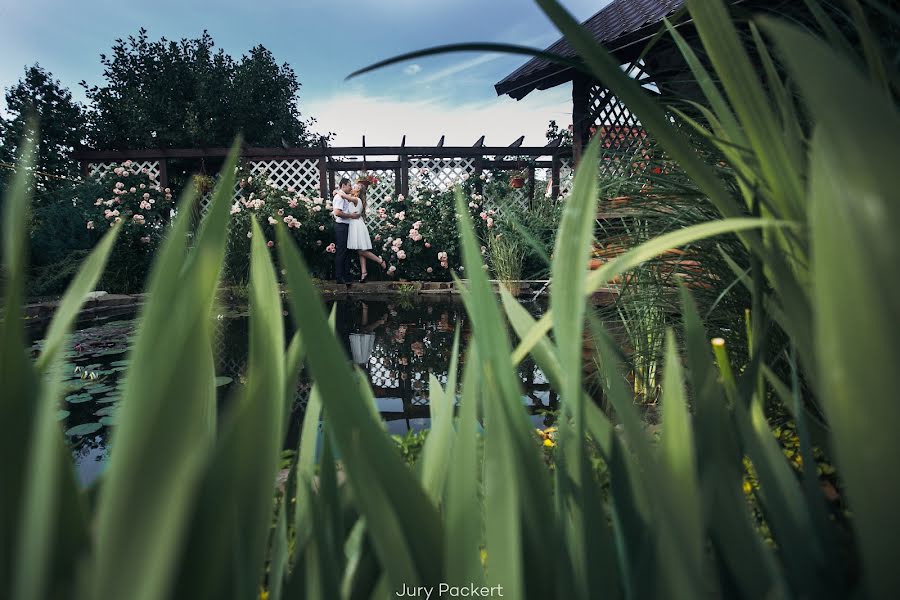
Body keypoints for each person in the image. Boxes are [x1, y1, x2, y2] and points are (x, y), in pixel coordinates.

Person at [343, 182, 387, 282]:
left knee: (361, 250)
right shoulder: (356, 199)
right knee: (360, 250)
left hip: (357, 225)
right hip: (355, 224)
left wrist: (337, 191)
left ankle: (380, 261)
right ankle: (364, 273)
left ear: (357, 191)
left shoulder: (356, 199)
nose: (352, 188)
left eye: (354, 187)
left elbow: (343, 195)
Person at [331, 178, 362, 285]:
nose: (351, 187)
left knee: (348, 252)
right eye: (349, 185)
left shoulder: (345, 197)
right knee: (342, 251)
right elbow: (337, 212)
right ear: (343, 185)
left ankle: (346, 275)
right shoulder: (339, 197)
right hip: (341, 227)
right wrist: (351, 216)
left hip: (347, 226)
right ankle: (339, 277)